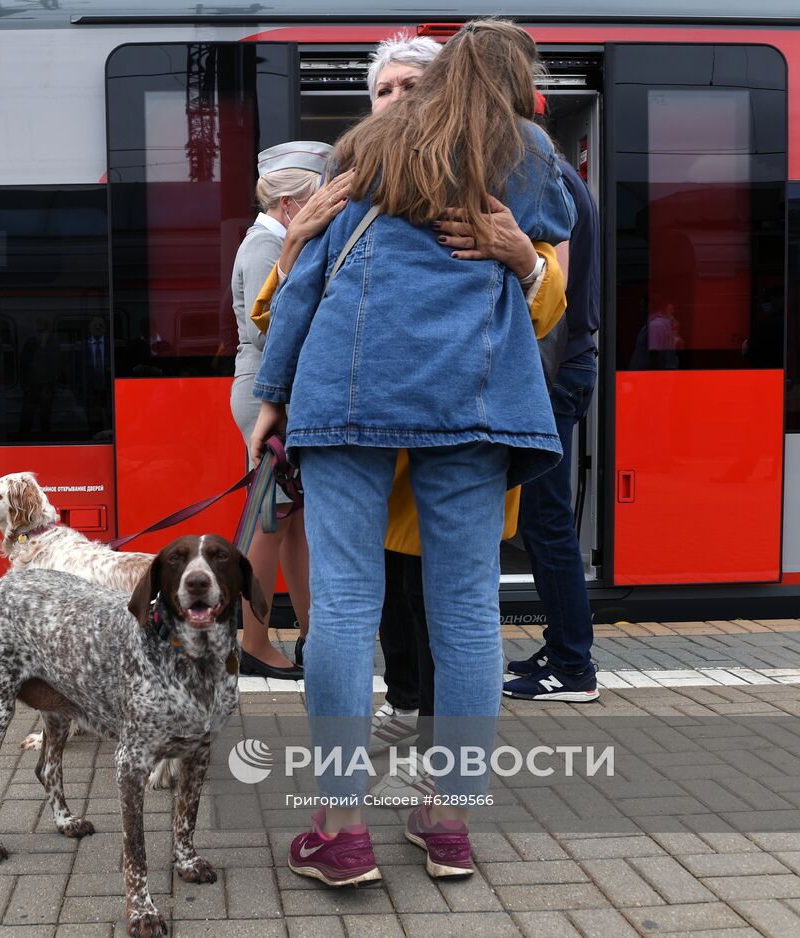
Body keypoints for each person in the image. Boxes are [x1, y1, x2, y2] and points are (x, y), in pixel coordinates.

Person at [250, 19, 574, 886]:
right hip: (471, 406)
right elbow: (563, 212)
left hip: (347, 400)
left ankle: (341, 827)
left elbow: (309, 283)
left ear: (428, 86)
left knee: (346, 607)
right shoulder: (520, 149)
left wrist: (272, 396)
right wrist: (515, 234)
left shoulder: (362, 150)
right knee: (468, 613)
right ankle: (449, 822)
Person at [501, 151, 603, 702]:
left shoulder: (540, 175)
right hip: (565, 365)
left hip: (553, 369)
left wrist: (530, 387)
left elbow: (551, 295)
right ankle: (562, 646)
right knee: (545, 521)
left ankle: (572, 666)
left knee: (546, 523)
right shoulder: (561, 174)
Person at [229, 141, 332, 679]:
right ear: (292, 203)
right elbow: (271, 327)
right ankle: (253, 642)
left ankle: (312, 635)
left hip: (277, 389)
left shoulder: (265, 240)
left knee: (291, 523)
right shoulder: (270, 247)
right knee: (270, 523)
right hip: (273, 392)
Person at [18, 317, 61, 438]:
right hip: (31, 386)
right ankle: (23, 442)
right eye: (39, 330)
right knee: (27, 416)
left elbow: (57, 363)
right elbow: (23, 364)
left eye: (44, 330)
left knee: (45, 417)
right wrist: (24, 385)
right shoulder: (31, 342)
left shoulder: (53, 343)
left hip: (47, 386)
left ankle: (46, 442)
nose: (41, 333)